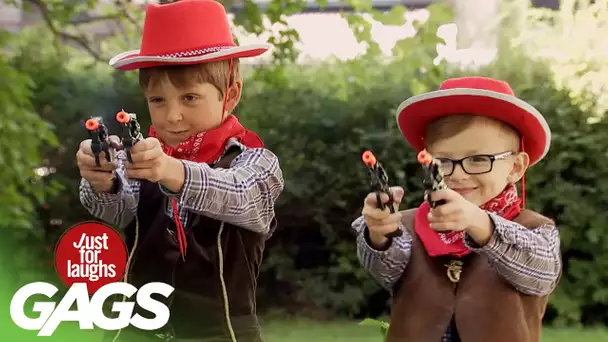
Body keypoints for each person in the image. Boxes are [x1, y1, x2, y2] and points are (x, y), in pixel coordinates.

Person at [76, 1, 284, 341]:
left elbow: (240, 195)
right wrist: (103, 180)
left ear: (230, 94)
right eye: (158, 101)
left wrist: (171, 170)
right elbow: (114, 211)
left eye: (189, 98)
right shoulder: (142, 157)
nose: (172, 116)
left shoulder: (257, 162)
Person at [352, 76, 562, 342]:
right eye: (442, 161)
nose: (458, 174)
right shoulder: (409, 223)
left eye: (477, 160)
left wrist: (480, 223)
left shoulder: (534, 228)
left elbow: (541, 275)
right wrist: (380, 233)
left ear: (516, 168)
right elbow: (386, 269)